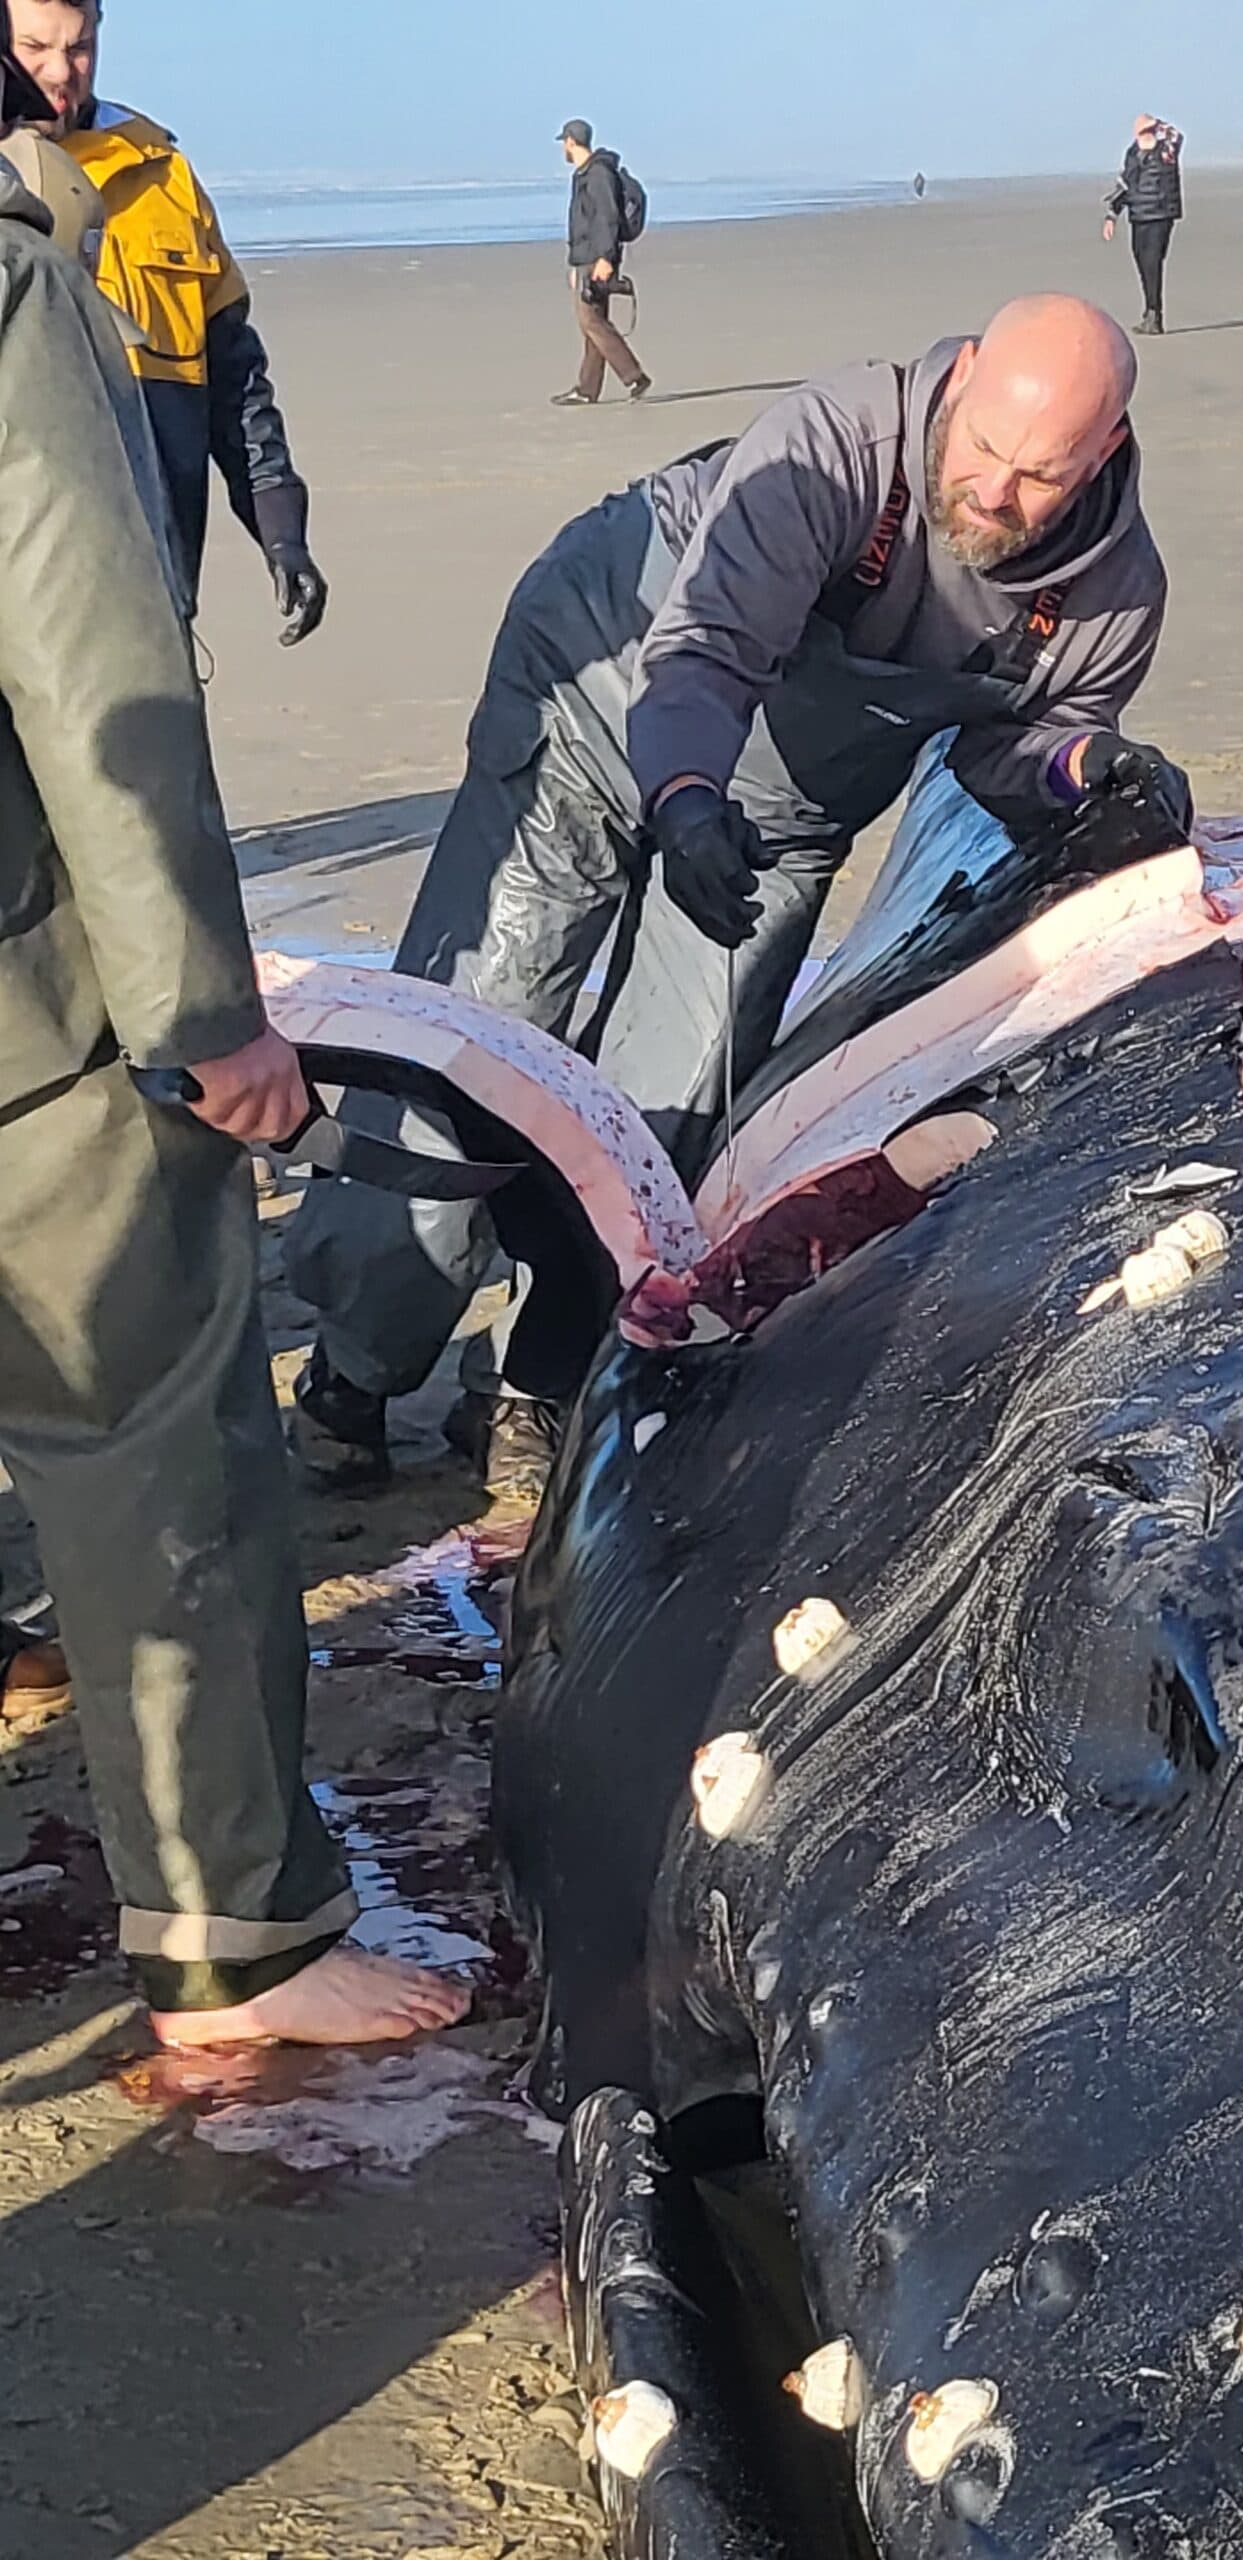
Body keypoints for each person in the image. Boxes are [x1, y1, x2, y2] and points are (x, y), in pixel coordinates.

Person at [286, 294, 1185, 1498]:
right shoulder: (836, 441)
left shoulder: (1113, 591)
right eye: (983, 450)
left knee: (669, 1108)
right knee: (486, 1029)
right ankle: (355, 1363)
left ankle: (536, 1383)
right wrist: (685, 797)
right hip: (606, 690)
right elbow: (706, 645)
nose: (996, 493)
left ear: (1105, 452)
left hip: (789, 809)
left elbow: (1005, 751)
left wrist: (1080, 764)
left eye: (1040, 478)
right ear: (963, 374)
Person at [0, 12, 465, 2050]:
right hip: (23, 1013)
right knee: (151, 1431)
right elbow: (92, 671)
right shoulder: (13, 273)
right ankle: (235, 1943)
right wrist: (202, 1019)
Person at [11, 0, 327, 641]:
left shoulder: (162, 174)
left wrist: (280, 530)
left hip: (155, 593)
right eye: (34, 48)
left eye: (79, 48)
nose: (61, 72)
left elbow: (234, 379)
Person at [553, 117, 649, 408]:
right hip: (586, 258)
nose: (563, 148)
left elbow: (607, 218)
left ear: (571, 141)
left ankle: (634, 376)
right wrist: (574, 264)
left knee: (591, 321)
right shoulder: (584, 174)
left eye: (564, 142)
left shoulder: (597, 174)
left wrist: (605, 258)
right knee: (592, 324)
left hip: (596, 258)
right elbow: (583, 223)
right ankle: (587, 389)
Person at [1104, 115, 1183, 337]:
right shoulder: (1132, 153)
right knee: (1142, 262)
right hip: (1138, 215)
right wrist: (1112, 214)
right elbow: (1125, 184)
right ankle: (1149, 311)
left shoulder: (1166, 150)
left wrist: (1157, 124)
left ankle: (1154, 316)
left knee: (1152, 263)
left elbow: (1177, 135)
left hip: (1161, 213)